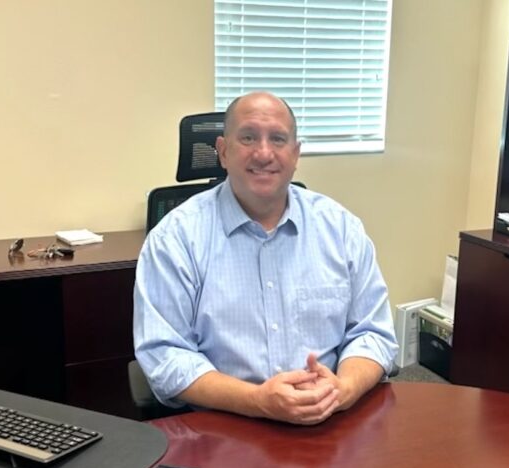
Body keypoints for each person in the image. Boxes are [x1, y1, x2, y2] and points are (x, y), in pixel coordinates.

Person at [133, 91, 398, 425]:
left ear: (295, 153)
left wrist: (342, 389)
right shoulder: (176, 239)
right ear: (223, 151)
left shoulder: (340, 228)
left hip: (329, 421)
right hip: (224, 426)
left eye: (278, 139)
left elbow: (373, 333)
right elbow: (165, 355)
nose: (263, 153)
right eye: (248, 137)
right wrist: (257, 401)